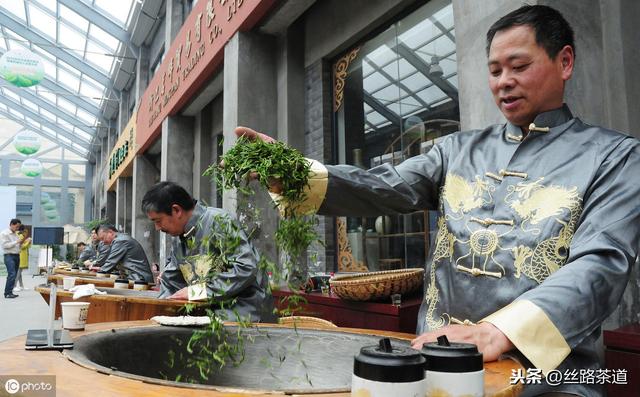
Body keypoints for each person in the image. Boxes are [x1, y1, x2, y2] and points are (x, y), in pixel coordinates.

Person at [231, 5, 640, 396]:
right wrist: (295, 173)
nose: (503, 82)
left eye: (519, 66)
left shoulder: (614, 157)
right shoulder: (455, 151)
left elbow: (600, 263)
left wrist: (504, 331)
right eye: (494, 71)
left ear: (564, 62)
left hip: (548, 379)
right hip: (435, 363)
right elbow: (384, 185)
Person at [141, 181, 275, 323]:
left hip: (244, 314)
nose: (157, 228)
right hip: (211, 315)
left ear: (176, 210)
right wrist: (160, 311)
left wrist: (195, 292)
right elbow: (171, 282)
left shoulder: (220, 221)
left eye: (158, 220)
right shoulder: (179, 238)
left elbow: (245, 268)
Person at [1, 218, 22, 298]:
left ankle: (10, 292)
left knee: (14, 274)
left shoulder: (15, 234)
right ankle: (7, 293)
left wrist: (21, 243)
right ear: (11, 224)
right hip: (9, 256)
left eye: (18, 227)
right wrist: (17, 242)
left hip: (16, 256)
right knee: (12, 274)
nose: (17, 229)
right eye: (16, 227)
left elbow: (17, 245)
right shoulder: (4, 233)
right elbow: (5, 246)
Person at [14, 225, 31, 293]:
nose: (25, 232)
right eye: (25, 231)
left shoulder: (20, 235)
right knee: (19, 271)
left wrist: (28, 242)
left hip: (21, 255)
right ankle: (14, 286)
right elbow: (21, 247)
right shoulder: (20, 236)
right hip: (21, 255)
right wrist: (28, 242)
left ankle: (21, 286)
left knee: (19, 271)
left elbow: (26, 246)